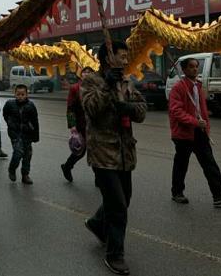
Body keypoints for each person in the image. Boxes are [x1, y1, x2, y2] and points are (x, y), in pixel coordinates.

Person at [81, 41, 146, 275]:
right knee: (118, 206)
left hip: (125, 154)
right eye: (122, 56)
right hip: (103, 155)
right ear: (108, 58)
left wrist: (128, 108)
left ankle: (98, 223)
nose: (126, 60)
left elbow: (141, 110)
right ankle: (114, 254)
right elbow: (91, 108)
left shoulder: (127, 82)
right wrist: (108, 86)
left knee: (123, 199)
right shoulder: (91, 82)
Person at [168, 58, 221, 206]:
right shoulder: (178, 88)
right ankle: (177, 192)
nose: (195, 69)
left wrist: (206, 128)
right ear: (185, 70)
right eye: (191, 67)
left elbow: (202, 111)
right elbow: (176, 111)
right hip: (183, 133)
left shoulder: (197, 86)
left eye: (196, 67)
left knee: (209, 162)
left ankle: (219, 194)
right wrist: (194, 121)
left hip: (199, 132)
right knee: (181, 164)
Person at [61, 66, 94, 182]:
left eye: (90, 72)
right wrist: (72, 126)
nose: (87, 74)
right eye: (85, 72)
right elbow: (70, 108)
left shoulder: (97, 87)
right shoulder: (75, 88)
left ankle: (99, 179)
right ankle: (67, 167)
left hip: (95, 126)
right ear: (81, 74)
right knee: (80, 151)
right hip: (81, 125)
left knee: (95, 151)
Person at [3, 84, 39, 184]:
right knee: (18, 152)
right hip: (15, 133)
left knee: (27, 155)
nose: (20, 96)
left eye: (23, 94)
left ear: (27, 95)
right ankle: (12, 169)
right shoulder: (10, 104)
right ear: (15, 94)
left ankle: (25, 175)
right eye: (18, 94)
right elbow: (5, 114)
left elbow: (35, 121)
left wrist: (35, 136)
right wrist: (10, 123)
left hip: (27, 134)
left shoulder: (31, 106)